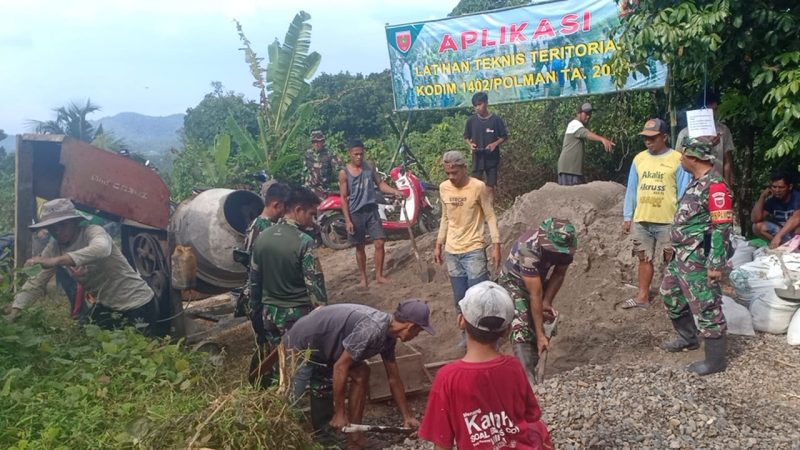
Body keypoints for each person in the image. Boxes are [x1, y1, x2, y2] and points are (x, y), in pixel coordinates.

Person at [419, 281, 553, 450]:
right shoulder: (514, 367)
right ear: (506, 331)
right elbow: (531, 415)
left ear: (461, 321)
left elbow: (442, 443)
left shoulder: (447, 377)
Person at [3, 198, 165, 336]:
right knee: (89, 341)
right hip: (107, 305)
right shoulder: (55, 247)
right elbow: (36, 281)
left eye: (62, 225)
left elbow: (102, 249)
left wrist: (59, 260)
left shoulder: (93, 232)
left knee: (139, 354)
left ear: (74, 222)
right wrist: (17, 308)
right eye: (53, 228)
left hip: (137, 304)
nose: (57, 231)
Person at [283, 300, 434, 448]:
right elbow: (340, 367)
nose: (417, 336)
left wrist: (407, 416)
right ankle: (285, 440)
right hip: (300, 343)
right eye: (419, 331)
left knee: (361, 372)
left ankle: (355, 439)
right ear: (411, 327)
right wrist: (340, 412)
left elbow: (394, 378)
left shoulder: (389, 337)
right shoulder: (372, 329)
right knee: (291, 400)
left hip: (326, 347)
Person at [660, 136, 732, 376]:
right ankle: (688, 337)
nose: (680, 159)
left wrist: (716, 264)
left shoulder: (715, 186)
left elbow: (722, 227)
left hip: (699, 257)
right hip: (682, 255)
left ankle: (715, 360)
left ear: (693, 158)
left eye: (683, 155)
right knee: (669, 293)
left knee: (707, 304)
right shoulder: (695, 182)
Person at [621, 119, 691, 309]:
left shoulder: (678, 159)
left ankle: (677, 299)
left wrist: (682, 218)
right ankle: (642, 296)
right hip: (643, 218)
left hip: (668, 220)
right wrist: (628, 216)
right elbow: (632, 189)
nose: (648, 142)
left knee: (673, 259)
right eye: (645, 138)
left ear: (664, 137)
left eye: (653, 138)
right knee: (644, 258)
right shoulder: (639, 159)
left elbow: (684, 191)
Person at [498, 218, 577, 386]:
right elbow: (534, 295)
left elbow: (559, 274)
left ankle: (531, 366)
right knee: (522, 325)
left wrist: (547, 302)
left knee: (536, 325)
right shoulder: (528, 248)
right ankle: (528, 382)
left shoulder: (568, 244)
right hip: (514, 282)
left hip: (538, 281)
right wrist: (541, 336)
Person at [249, 186, 327, 353]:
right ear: (298, 210)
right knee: (302, 364)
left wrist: (256, 315)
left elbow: (254, 282)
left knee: (279, 362)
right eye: (311, 214)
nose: (312, 221)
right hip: (296, 316)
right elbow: (315, 288)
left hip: (268, 314)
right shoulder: (303, 241)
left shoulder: (262, 237)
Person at [433, 151, 501, 323]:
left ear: (464, 168)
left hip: (473, 249)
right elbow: (445, 217)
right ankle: (467, 337)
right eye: (447, 173)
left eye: (454, 172)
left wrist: (496, 245)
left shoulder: (477, 187)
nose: (451, 177)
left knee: (479, 297)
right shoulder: (444, 188)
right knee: (460, 299)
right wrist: (439, 244)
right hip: (452, 251)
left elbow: (490, 216)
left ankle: (486, 334)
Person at [338, 139, 404, 288]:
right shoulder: (344, 173)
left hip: (371, 209)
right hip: (356, 212)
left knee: (380, 242)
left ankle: (379, 275)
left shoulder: (369, 167)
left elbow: (380, 184)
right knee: (359, 247)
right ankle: (363, 278)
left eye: (361, 154)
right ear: (350, 154)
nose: (359, 157)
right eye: (356, 154)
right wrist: (348, 220)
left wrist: (395, 191)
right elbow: (343, 198)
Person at [239, 183, 290, 366]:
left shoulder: (271, 226)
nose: (286, 212)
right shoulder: (259, 228)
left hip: (270, 294)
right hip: (263, 296)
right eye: (285, 207)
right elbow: (255, 269)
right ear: (276, 205)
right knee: (272, 346)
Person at [675, 90, 735, 186]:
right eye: (711, 110)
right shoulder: (685, 133)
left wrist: (728, 186)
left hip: (717, 182)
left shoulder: (723, 131)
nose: (714, 114)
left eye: (715, 110)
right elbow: (678, 161)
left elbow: (727, 162)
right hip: (691, 184)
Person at [463, 91, 508, 202]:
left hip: (492, 158)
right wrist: (470, 145)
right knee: (474, 186)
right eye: (475, 106)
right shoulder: (471, 121)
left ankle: (490, 214)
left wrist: (494, 144)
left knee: (490, 187)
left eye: (479, 104)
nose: (477, 108)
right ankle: (477, 213)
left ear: (486, 103)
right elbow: (466, 137)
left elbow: (504, 136)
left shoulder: (496, 120)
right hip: (477, 158)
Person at [557, 102, 615, 185]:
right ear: (578, 113)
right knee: (571, 196)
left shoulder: (578, 125)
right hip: (569, 169)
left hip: (573, 169)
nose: (588, 116)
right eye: (586, 113)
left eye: (590, 114)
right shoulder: (574, 124)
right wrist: (602, 139)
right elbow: (586, 134)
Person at [751, 171, 800, 248]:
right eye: (774, 187)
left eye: (781, 187)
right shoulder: (772, 201)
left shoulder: (797, 196)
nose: (777, 190)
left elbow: (797, 218)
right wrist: (762, 196)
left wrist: (778, 236)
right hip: (785, 235)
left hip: (796, 235)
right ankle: (782, 247)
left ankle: (794, 247)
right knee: (756, 226)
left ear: (789, 187)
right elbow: (755, 219)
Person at [303, 130, 341, 198]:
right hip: (310, 188)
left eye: (318, 141)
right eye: (314, 142)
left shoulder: (330, 154)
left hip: (324, 189)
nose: (316, 144)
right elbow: (304, 171)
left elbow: (339, 170)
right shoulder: (308, 154)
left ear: (323, 142)